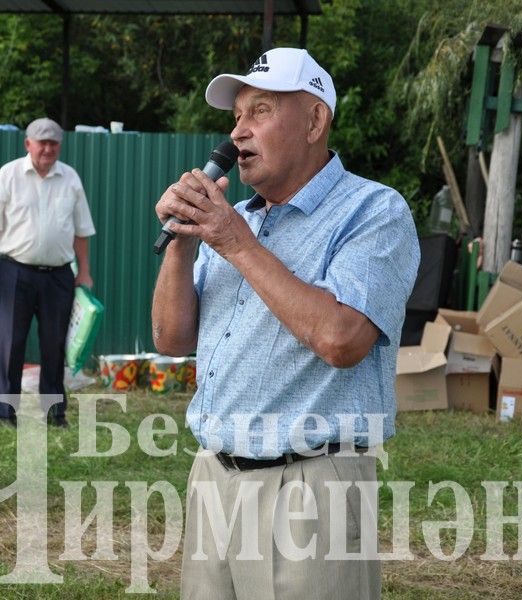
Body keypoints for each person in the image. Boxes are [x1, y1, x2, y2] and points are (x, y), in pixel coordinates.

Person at [151, 48, 420, 599]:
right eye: (236, 117)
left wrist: (234, 243)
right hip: (214, 478)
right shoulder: (237, 220)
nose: (238, 133)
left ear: (316, 121)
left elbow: (341, 338)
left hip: (310, 485)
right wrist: (181, 243)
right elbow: (172, 339)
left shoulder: (373, 211)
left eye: (261, 112)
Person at [0, 117, 95, 428]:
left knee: (55, 344)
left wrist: (85, 272)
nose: (48, 148)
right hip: (15, 272)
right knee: (9, 344)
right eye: (42, 142)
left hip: (59, 275)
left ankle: (55, 412)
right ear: (28, 144)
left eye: (53, 143)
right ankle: (4, 412)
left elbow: (82, 231)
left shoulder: (70, 179)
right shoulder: (9, 175)